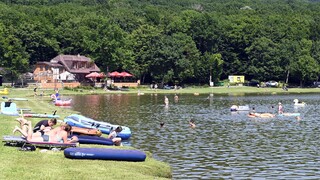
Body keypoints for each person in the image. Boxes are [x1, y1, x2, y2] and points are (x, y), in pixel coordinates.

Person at [13, 121, 78, 143]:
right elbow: (65, 142)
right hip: (47, 138)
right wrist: (72, 140)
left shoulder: (60, 130)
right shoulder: (64, 133)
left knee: (29, 138)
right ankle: (29, 124)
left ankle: (19, 129)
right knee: (29, 139)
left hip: (46, 137)